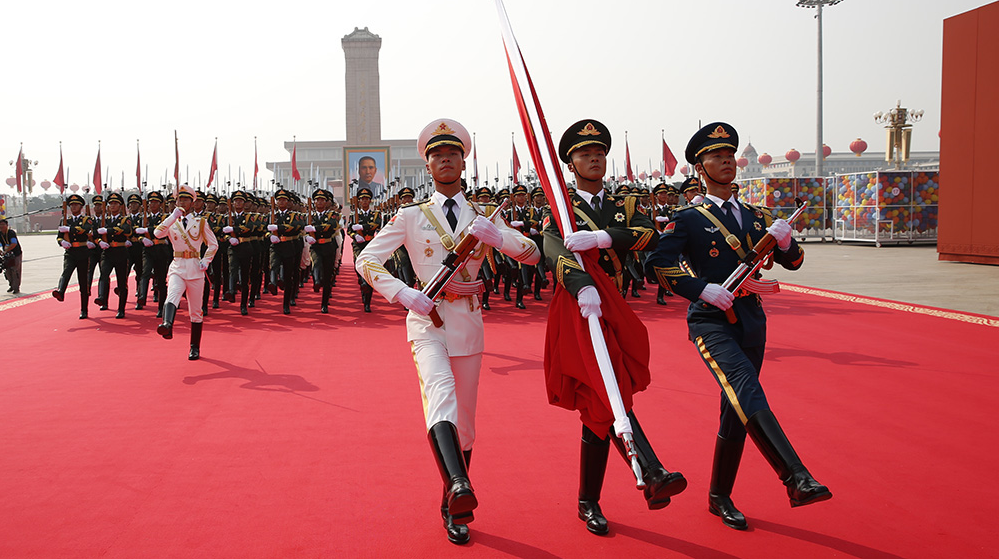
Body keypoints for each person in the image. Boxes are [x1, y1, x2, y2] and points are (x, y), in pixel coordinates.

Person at [355, 118, 539, 545]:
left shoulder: (483, 215)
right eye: (437, 155)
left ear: (463, 162)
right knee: (440, 396)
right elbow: (366, 259)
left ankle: (452, 503)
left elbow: (531, 254)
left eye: (452, 154)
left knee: (466, 422)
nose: (445, 160)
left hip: (468, 323)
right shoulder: (410, 216)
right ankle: (460, 484)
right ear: (428, 165)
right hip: (426, 321)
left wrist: (500, 239)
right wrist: (404, 293)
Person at [645, 122, 830, 531]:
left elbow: (795, 262)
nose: (727, 161)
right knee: (746, 388)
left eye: (730, 155)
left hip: (751, 319)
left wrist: (785, 242)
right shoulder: (688, 218)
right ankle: (795, 476)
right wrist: (700, 289)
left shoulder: (755, 216)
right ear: (700, 168)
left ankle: (719, 496)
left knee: (736, 409)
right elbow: (656, 263)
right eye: (717, 156)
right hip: (711, 320)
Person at [542, 119, 686, 535]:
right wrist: (580, 284)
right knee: (610, 390)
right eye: (585, 154)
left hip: (616, 304)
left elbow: (648, 235)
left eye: (599, 153)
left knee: (599, 403)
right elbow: (552, 247)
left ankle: (589, 500)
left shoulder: (625, 203)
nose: (594, 159)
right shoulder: (562, 205)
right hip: (580, 308)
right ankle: (652, 471)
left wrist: (603, 237)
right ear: (571, 163)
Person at [154, 185, 218, 360]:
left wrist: (206, 260)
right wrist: (172, 217)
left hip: (195, 269)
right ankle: (167, 324)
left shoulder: (201, 222)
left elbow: (213, 244)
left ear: (192, 202)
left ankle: (194, 347)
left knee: (196, 311)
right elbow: (157, 233)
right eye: (179, 200)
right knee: (172, 295)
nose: (182, 203)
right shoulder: (172, 221)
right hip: (177, 266)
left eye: (185, 200)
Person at [53, 194, 97, 319]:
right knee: (66, 272)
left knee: (83, 282)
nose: (73, 207)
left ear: (81, 207)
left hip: (83, 252)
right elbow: (59, 236)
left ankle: (84, 309)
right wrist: (62, 242)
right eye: (71, 205)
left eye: (76, 205)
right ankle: (61, 291)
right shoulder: (65, 220)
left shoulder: (87, 219)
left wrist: (69, 229)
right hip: (70, 252)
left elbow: (84, 229)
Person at [94, 193, 134, 318]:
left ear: (120, 206)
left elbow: (126, 230)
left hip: (121, 252)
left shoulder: (125, 219)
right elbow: (95, 235)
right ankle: (102, 298)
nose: (112, 206)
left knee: (121, 282)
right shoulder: (104, 220)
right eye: (111, 203)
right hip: (107, 252)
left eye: (115, 203)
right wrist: (99, 242)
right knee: (104, 274)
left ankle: (121, 309)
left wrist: (108, 230)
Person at [305, 189, 341, 314]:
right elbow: (304, 228)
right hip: (316, 246)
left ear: (326, 202)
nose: (319, 202)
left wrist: (314, 229)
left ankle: (324, 303)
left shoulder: (333, 214)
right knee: (316, 263)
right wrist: (307, 236)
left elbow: (331, 226)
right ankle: (316, 281)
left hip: (328, 246)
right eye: (317, 200)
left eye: (322, 200)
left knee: (327, 276)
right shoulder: (310, 216)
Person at [348, 187, 383, 312]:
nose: (364, 201)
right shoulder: (354, 216)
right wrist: (355, 235)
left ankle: (367, 302)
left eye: (366, 199)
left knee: (369, 271)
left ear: (370, 201)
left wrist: (362, 227)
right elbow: (349, 230)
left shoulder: (375, 214)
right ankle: (362, 283)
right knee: (359, 267)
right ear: (359, 201)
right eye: (362, 199)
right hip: (358, 245)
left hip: (370, 244)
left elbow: (376, 224)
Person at [0, 218, 23, 294]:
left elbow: (14, 243)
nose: (1, 226)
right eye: (0, 225)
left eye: (3, 224)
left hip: (16, 254)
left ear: (7, 225)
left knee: (15, 271)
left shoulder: (11, 233)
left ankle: (16, 288)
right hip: (7, 255)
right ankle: (11, 285)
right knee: (8, 271)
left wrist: (6, 250)